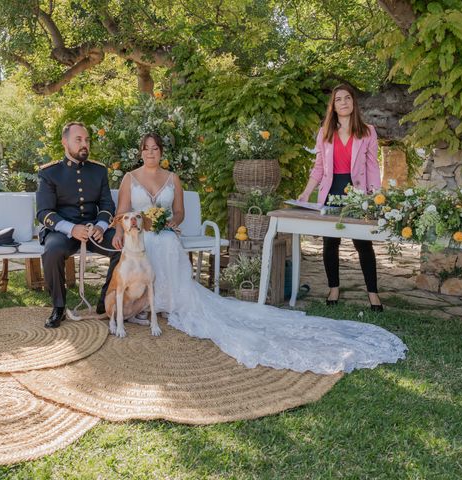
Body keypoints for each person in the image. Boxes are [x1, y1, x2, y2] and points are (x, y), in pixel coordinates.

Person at [113, 132, 406, 375]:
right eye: (146, 149)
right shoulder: (130, 178)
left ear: (161, 152)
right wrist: (119, 232)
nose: (151, 153)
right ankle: (146, 304)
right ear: (140, 152)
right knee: (149, 244)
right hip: (137, 238)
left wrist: (169, 223)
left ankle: (167, 301)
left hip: (164, 233)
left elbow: (179, 211)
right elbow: (121, 212)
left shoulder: (172, 178)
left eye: (155, 148)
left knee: (164, 242)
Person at [298, 84, 384, 311]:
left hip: (357, 193)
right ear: (333, 105)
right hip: (331, 190)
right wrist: (307, 192)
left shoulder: (367, 131)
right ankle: (334, 287)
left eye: (347, 98)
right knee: (330, 243)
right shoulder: (325, 133)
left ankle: (373, 293)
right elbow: (318, 168)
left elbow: (373, 167)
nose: (343, 102)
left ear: (353, 102)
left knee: (363, 243)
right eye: (338, 99)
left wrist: (376, 197)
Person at [36, 122, 119, 328]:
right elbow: (44, 212)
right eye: (78, 140)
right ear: (65, 142)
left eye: (87, 140)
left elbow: (107, 205)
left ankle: (105, 302)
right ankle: (58, 307)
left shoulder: (98, 171)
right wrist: (71, 228)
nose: (85, 144)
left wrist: (101, 226)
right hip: (63, 231)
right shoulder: (49, 173)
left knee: (121, 247)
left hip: (93, 230)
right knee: (52, 251)